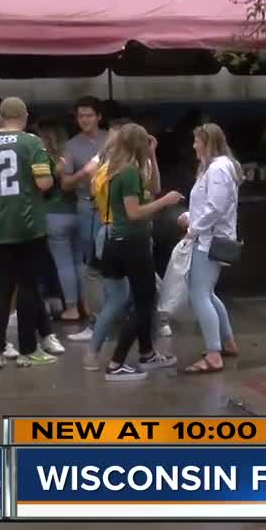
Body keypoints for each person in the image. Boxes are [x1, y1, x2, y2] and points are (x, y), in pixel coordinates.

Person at [0, 98, 68, 369]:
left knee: (0, 289)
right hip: (28, 225)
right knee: (28, 286)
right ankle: (28, 349)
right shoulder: (31, 143)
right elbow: (44, 182)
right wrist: (55, 170)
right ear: (24, 116)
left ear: (1, 117)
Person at [97, 123, 181, 381]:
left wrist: (153, 155)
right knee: (144, 304)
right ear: (138, 144)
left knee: (145, 297)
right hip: (132, 242)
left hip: (123, 241)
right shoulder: (128, 173)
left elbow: (153, 187)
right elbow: (134, 212)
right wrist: (165, 203)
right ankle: (116, 363)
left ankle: (146, 352)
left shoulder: (124, 169)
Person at [181, 123, 242, 374]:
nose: (194, 145)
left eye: (198, 141)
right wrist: (191, 218)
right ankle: (226, 342)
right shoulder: (218, 167)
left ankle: (214, 353)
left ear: (209, 143)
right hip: (209, 237)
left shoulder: (217, 169)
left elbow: (216, 207)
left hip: (208, 240)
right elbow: (211, 205)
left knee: (199, 296)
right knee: (207, 293)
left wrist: (193, 228)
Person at [61, 96, 108, 342]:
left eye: (89, 115)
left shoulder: (111, 139)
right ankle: (96, 318)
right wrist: (84, 172)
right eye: (80, 116)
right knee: (91, 264)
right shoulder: (71, 146)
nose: (85, 120)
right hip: (86, 208)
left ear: (99, 117)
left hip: (113, 207)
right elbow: (65, 183)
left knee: (117, 261)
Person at [37, 117, 84, 322]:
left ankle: (71, 308)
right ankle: (87, 306)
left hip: (53, 216)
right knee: (79, 263)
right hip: (77, 212)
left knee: (63, 264)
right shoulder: (70, 155)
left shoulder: (42, 159)